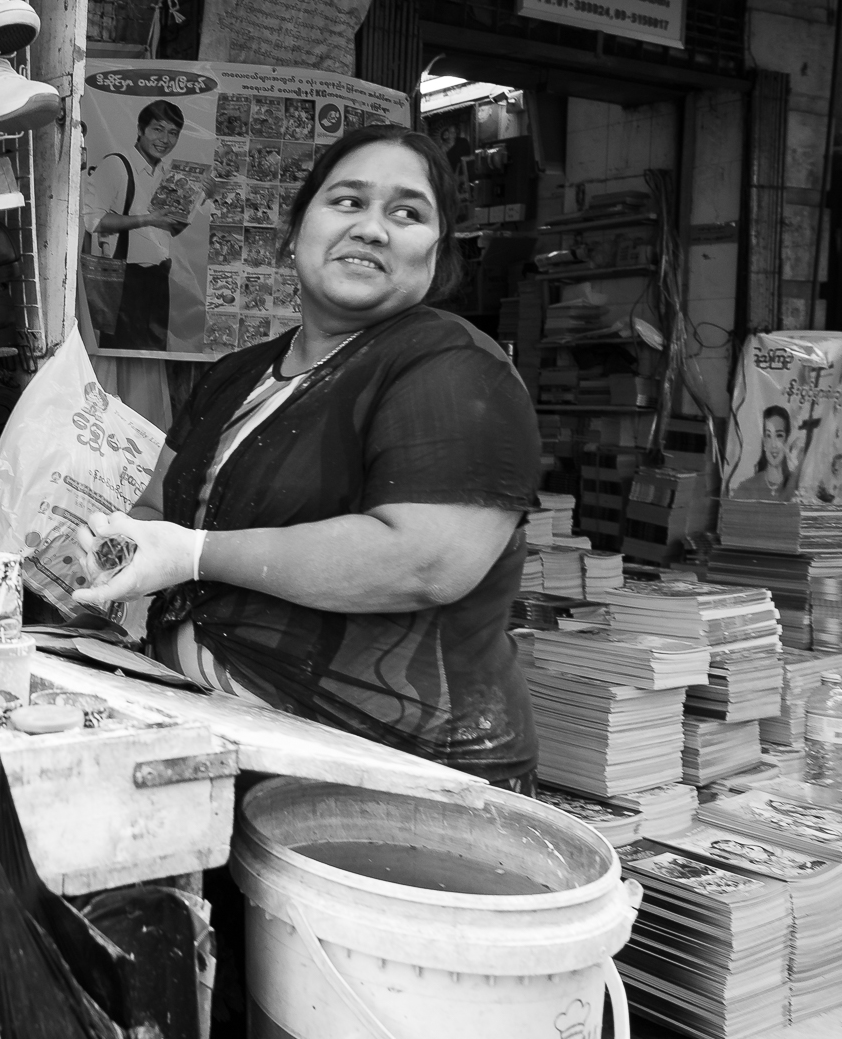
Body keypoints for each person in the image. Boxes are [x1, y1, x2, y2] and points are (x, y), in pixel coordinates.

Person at [73, 124, 542, 790]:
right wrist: (98, 557)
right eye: (347, 202)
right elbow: (158, 509)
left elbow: (426, 560)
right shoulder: (235, 375)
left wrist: (193, 554)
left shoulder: (457, 369)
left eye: (407, 213)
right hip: (209, 742)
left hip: (393, 784)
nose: (372, 228)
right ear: (296, 234)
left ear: (438, 254)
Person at [84, 99, 194, 349]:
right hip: (124, 280)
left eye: (173, 133)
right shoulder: (117, 165)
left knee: (153, 354)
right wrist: (147, 219)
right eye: (158, 129)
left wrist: (198, 198)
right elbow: (93, 221)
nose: (165, 139)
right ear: (141, 130)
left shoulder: (168, 174)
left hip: (157, 278)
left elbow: (172, 228)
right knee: (122, 353)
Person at [732, 404, 803, 500]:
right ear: (764, 442)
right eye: (768, 435)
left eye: (779, 435)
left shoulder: (798, 490)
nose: (773, 444)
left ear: (786, 440)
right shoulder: (746, 489)